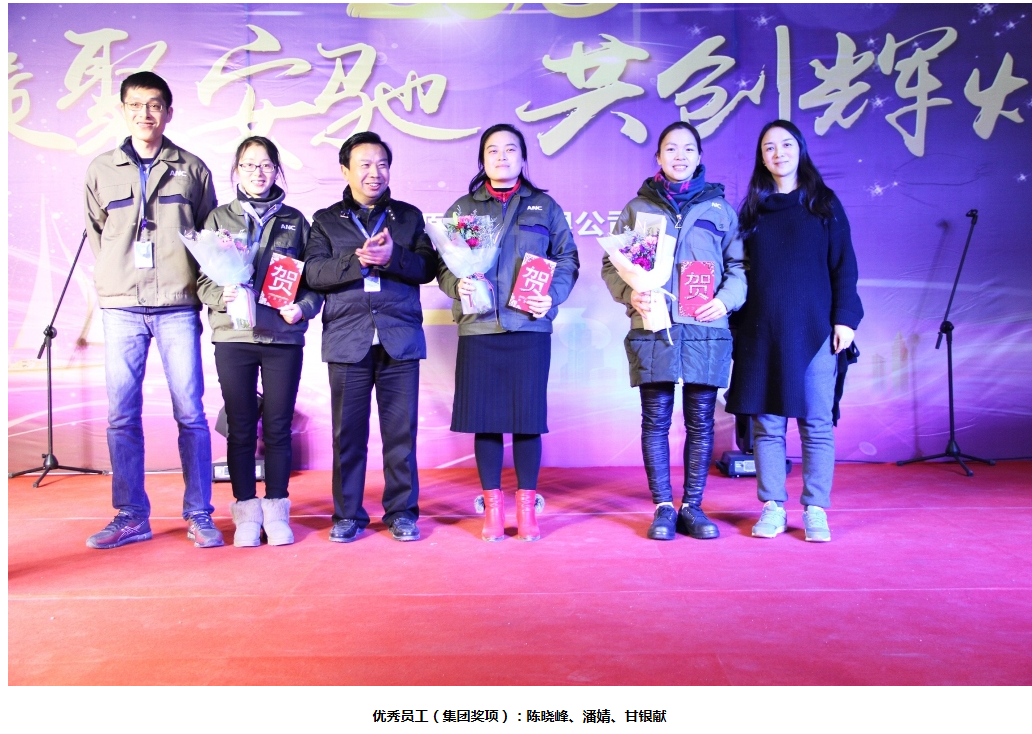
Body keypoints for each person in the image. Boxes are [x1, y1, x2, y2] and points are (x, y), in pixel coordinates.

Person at [84, 71, 222, 549]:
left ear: (168, 111)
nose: (145, 113)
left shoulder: (193, 169)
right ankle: (131, 515)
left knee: (191, 413)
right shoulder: (100, 169)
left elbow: (208, 239)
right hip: (122, 306)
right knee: (122, 415)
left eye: (155, 105)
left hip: (177, 306)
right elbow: (99, 233)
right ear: (123, 110)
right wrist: (120, 275)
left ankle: (199, 513)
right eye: (136, 105)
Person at [602, 121, 746, 541]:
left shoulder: (720, 209)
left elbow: (739, 266)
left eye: (687, 149)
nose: (679, 156)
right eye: (670, 149)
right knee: (655, 421)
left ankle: (693, 507)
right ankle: (664, 507)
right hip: (654, 326)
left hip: (705, 327)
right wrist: (631, 295)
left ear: (699, 157)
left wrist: (726, 300)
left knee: (701, 422)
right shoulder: (638, 208)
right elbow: (612, 264)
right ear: (658, 157)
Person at [437, 123, 580, 542]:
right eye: (493, 150)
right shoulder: (465, 208)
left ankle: (527, 510)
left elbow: (567, 259)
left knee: (526, 420)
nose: (501, 157)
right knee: (485, 421)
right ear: (482, 159)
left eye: (510, 149)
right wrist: (456, 286)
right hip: (479, 327)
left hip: (528, 325)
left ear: (523, 157)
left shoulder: (544, 206)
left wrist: (551, 296)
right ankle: (493, 510)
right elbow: (444, 264)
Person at [725, 120, 864, 543]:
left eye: (786, 145)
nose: (778, 153)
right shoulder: (752, 210)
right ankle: (772, 505)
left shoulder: (824, 204)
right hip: (762, 331)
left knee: (816, 423)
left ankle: (815, 508)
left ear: (800, 150)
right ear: (761, 158)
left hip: (815, 330)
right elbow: (738, 271)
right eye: (769, 147)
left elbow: (845, 265)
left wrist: (844, 319)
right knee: (768, 425)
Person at [304, 131, 436, 543]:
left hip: (400, 337)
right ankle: (348, 515)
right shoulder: (325, 220)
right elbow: (314, 273)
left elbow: (427, 267)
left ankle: (402, 512)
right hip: (348, 339)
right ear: (345, 170)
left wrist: (393, 257)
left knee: (401, 435)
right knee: (348, 435)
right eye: (364, 164)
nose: (374, 172)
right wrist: (359, 261)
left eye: (381, 164)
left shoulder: (408, 217)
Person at [197, 136, 322, 547]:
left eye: (266, 164)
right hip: (233, 336)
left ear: (277, 170)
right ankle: (246, 512)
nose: (258, 172)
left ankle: (278, 508)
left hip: (282, 337)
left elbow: (314, 280)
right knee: (241, 427)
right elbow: (202, 281)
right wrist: (222, 295)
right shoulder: (219, 218)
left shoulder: (295, 221)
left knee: (280, 427)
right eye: (250, 165)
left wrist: (303, 307)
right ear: (237, 170)